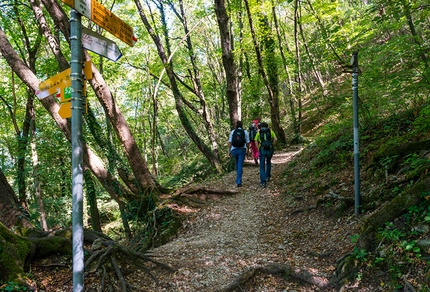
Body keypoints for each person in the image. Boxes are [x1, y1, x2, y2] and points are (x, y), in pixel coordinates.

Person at [228, 120, 250, 187]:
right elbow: (247, 142)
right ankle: (238, 181)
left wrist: (229, 151)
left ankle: (238, 176)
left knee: (237, 163)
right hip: (242, 150)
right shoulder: (245, 132)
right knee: (240, 165)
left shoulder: (233, 132)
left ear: (236, 125)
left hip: (234, 150)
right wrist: (248, 150)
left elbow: (230, 142)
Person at [255, 122, 277, 188]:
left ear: (261, 126)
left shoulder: (259, 132)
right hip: (269, 149)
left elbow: (255, 140)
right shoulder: (271, 131)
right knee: (268, 162)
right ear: (267, 126)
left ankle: (263, 182)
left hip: (262, 149)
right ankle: (268, 176)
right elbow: (275, 139)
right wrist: (272, 145)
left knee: (262, 165)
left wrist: (258, 148)